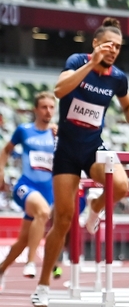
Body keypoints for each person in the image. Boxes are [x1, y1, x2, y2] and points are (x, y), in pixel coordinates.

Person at [31, 17, 129, 307]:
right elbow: (59, 91)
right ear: (96, 43)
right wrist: (90, 64)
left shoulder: (118, 77)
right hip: (67, 151)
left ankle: (95, 209)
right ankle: (43, 285)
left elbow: (127, 103)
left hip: (93, 147)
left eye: (118, 47)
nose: (113, 50)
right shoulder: (76, 60)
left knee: (122, 186)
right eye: (109, 44)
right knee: (63, 220)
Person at [0, 92, 59, 285]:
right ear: (35, 109)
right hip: (25, 186)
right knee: (42, 212)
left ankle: (0, 271)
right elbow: (6, 150)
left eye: (51, 107)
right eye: (44, 107)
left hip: (47, 191)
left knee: (24, 239)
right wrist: (1, 171)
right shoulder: (24, 130)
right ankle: (31, 262)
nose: (48, 111)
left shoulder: (57, 134)